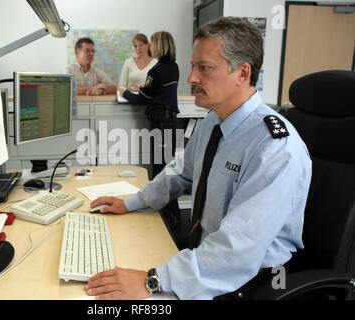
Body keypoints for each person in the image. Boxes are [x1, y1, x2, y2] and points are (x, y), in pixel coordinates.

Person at [86, 17, 312, 300]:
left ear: (242, 73)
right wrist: (133, 202)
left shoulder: (275, 147)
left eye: (204, 68)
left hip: (246, 280)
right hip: (204, 258)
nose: (191, 78)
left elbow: (238, 250)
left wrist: (152, 281)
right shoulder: (213, 122)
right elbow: (179, 171)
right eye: (193, 66)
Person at [118, 31, 181, 179]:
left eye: (152, 44)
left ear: (159, 46)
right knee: (170, 171)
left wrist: (124, 93)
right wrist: (143, 88)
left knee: (160, 171)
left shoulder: (156, 70)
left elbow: (143, 99)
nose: (150, 47)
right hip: (172, 122)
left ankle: (158, 202)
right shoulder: (173, 67)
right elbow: (159, 90)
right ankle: (168, 202)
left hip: (160, 123)